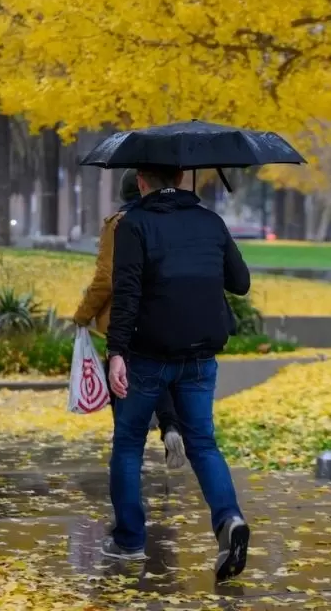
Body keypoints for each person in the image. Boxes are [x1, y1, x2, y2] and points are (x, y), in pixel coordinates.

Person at [103, 165, 252, 581]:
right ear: (183, 177)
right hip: (201, 355)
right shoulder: (211, 221)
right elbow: (240, 283)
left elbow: (127, 291)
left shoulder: (134, 224)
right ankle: (229, 519)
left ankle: (130, 540)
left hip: (148, 354)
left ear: (142, 182)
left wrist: (116, 352)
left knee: (129, 443)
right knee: (203, 442)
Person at [74, 170, 186, 470]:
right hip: (167, 315)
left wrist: (83, 314)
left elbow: (106, 279)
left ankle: (127, 469)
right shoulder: (173, 220)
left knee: (122, 390)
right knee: (160, 374)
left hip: (124, 319)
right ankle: (171, 428)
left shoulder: (120, 224)